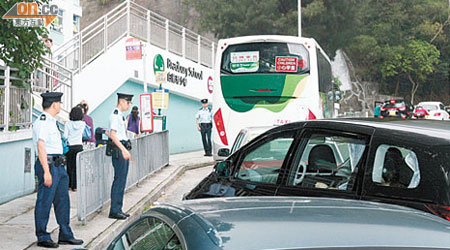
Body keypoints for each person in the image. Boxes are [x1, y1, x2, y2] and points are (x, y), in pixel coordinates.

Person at [32, 92, 83, 248]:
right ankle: (43, 236)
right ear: (54, 104)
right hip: (49, 165)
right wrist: (46, 171)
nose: (61, 106)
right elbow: (41, 146)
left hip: (59, 165)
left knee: (63, 201)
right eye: (60, 103)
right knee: (45, 201)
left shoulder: (51, 121)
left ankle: (65, 234)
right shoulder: (42, 121)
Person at [107, 93, 133, 220]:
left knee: (122, 180)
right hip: (119, 149)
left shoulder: (120, 116)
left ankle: (118, 208)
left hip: (123, 147)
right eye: (127, 103)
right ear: (122, 102)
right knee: (119, 180)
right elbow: (113, 135)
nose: (128, 105)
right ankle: (115, 210)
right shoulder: (115, 115)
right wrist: (123, 150)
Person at [63, 106, 85, 191]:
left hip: (70, 147)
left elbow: (65, 136)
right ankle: (75, 186)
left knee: (69, 166)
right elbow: (82, 134)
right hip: (79, 146)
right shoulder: (83, 124)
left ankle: (68, 184)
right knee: (77, 167)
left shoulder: (68, 124)